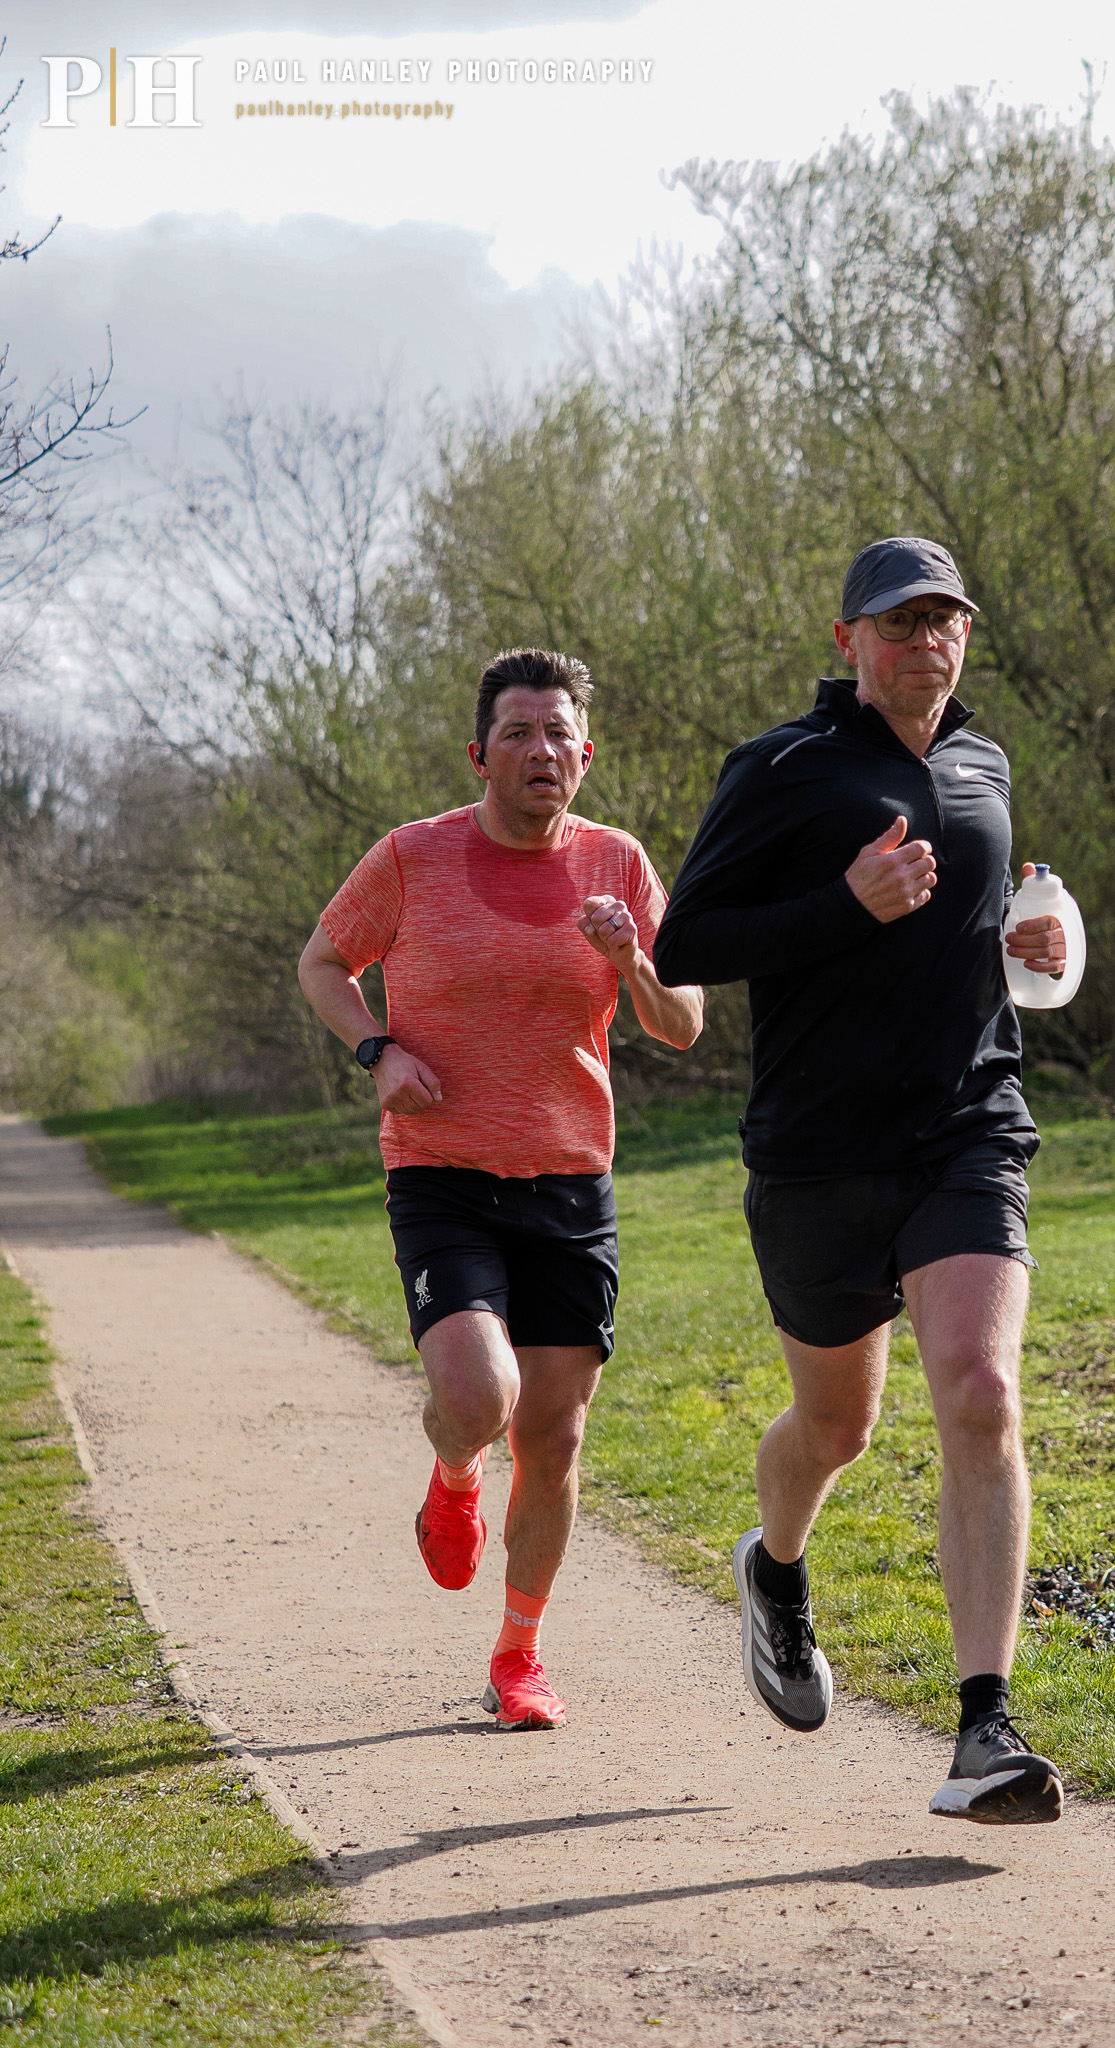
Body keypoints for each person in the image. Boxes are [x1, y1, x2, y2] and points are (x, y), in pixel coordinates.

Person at [653, 537, 1068, 1824]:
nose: (923, 642)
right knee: (837, 1426)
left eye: (944, 621)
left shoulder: (983, 761)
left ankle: (986, 1726)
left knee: (984, 1390)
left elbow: (985, 924)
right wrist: (844, 900)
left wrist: (1041, 937)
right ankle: (774, 1566)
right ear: (847, 642)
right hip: (818, 1152)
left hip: (965, 1131)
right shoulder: (779, 769)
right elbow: (689, 942)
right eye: (897, 623)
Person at [297, 647, 703, 1731]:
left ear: (586, 750)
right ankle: (453, 1469)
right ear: (481, 752)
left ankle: (518, 1654)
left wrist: (632, 964)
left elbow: (686, 1021)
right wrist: (377, 1049)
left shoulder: (619, 864)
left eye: (558, 731)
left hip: (572, 1179)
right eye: (517, 732)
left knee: (558, 1438)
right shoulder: (412, 857)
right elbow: (322, 964)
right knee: (482, 1397)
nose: (540, 749)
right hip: (444, 1172)